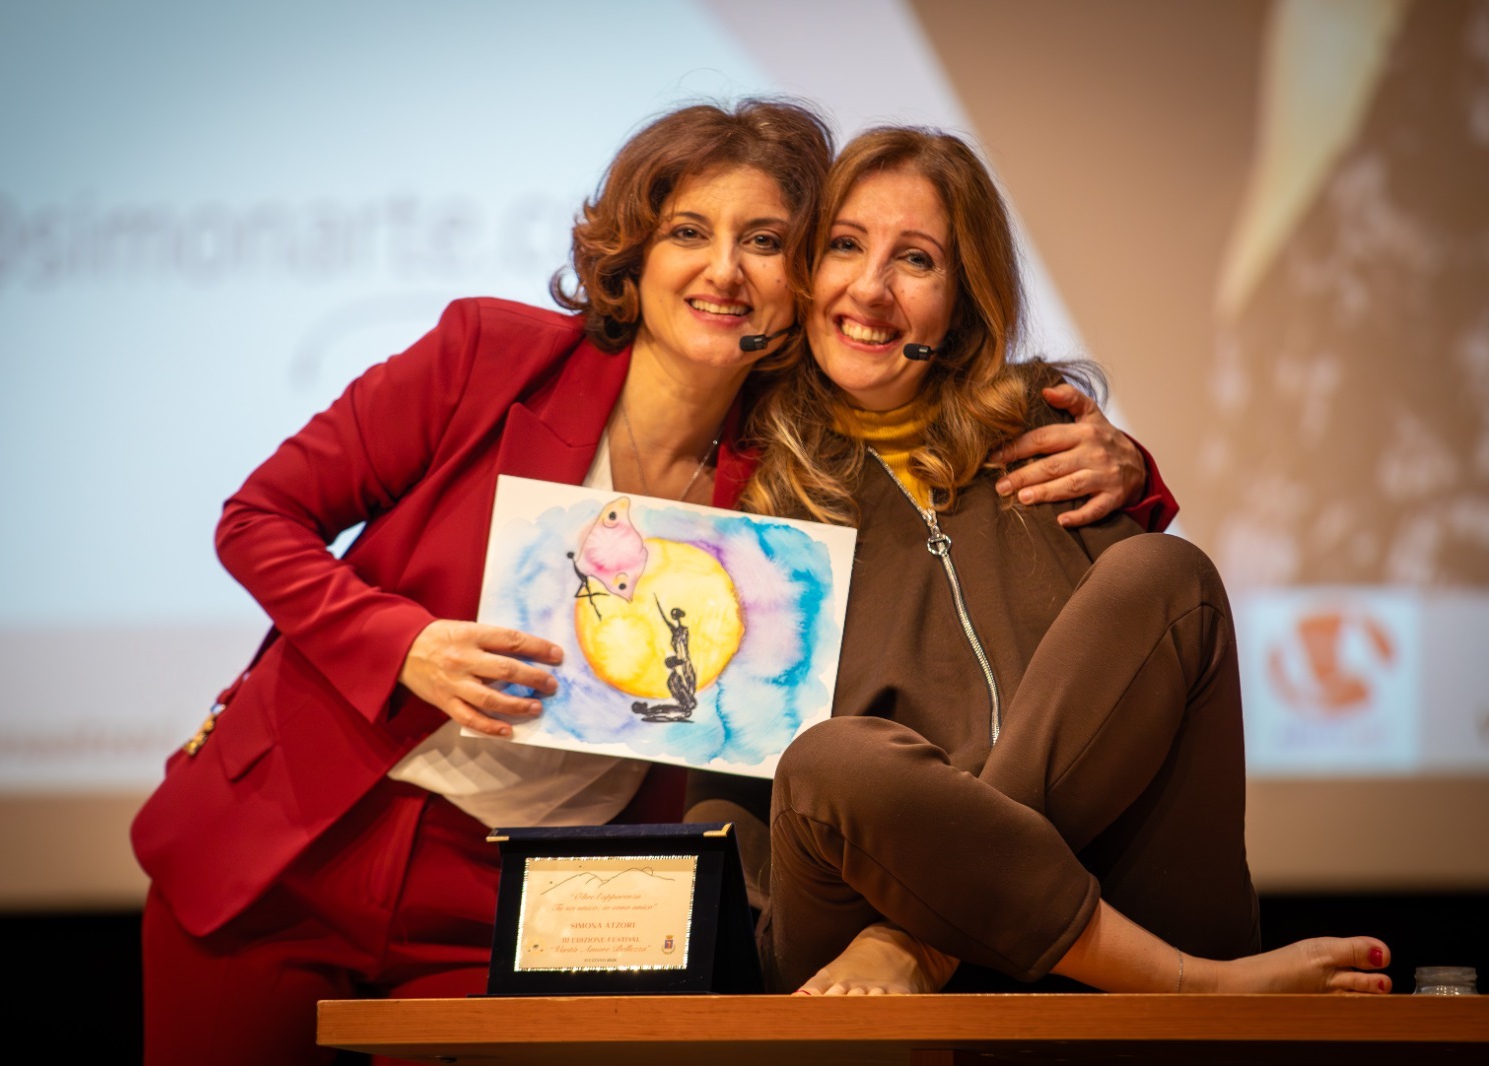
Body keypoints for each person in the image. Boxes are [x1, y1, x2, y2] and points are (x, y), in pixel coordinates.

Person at [131, 99, 1175, 1064]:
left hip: (515, 899)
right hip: (295, 847)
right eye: (688, 231)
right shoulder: (487, 356)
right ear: (634, 254)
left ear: (800, 278)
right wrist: (404, 643)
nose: (724, 270)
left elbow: (960, 445)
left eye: (763, 241)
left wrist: (1130, 467)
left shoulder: (796, 459)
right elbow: (258, 519)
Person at [693, 126, 1393, 997]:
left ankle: (925, 942)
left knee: (1167, 576)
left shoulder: (1054, 444)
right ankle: (1187, 984)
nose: (869, 288)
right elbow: (721, 778)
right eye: (844, 246)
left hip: (1095, 915)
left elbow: (1151, 672)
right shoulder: (758, 490)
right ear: (805, 273)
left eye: (915, 260)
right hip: (848, 939)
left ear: (963, 302)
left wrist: (931, 914)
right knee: (831, 760)